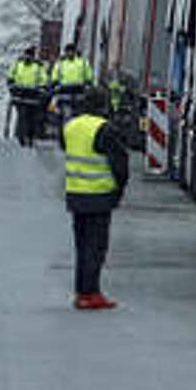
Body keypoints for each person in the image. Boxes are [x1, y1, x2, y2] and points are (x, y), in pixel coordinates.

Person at [61, 86, 128, 310]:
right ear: (103, 106)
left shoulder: (70, 127)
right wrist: (119, 190)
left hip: (75, 195)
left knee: (82, 247)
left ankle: (82, 291)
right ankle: (91, 293)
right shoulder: (104, 129)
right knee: (96, 248)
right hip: (99, 196)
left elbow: (65, 147)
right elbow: (120, 164)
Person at [7, 46, 49, 148]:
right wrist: (12, 87)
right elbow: (10, 76)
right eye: (26, 55)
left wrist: (42, 88)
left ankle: (30, 137)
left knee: (31, 118)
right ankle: (22, 136)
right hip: (20, 96)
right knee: (22, 116)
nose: (28, 57)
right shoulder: (18, 65)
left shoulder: (38, 67)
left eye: (30, 55)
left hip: (33, 97)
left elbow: (44, 79)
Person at [51, 43, 94, 120]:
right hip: (65, 94)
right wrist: (55, 85)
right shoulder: (60, 63)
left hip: (79, 94)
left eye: (72, 51)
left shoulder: (83, 63)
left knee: (78, 117)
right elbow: (54, 77)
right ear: (66, 52)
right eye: (68, 51)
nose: (70, 53)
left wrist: (88, 85)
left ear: (75, 52)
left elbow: (89, 76)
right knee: (67, 116)